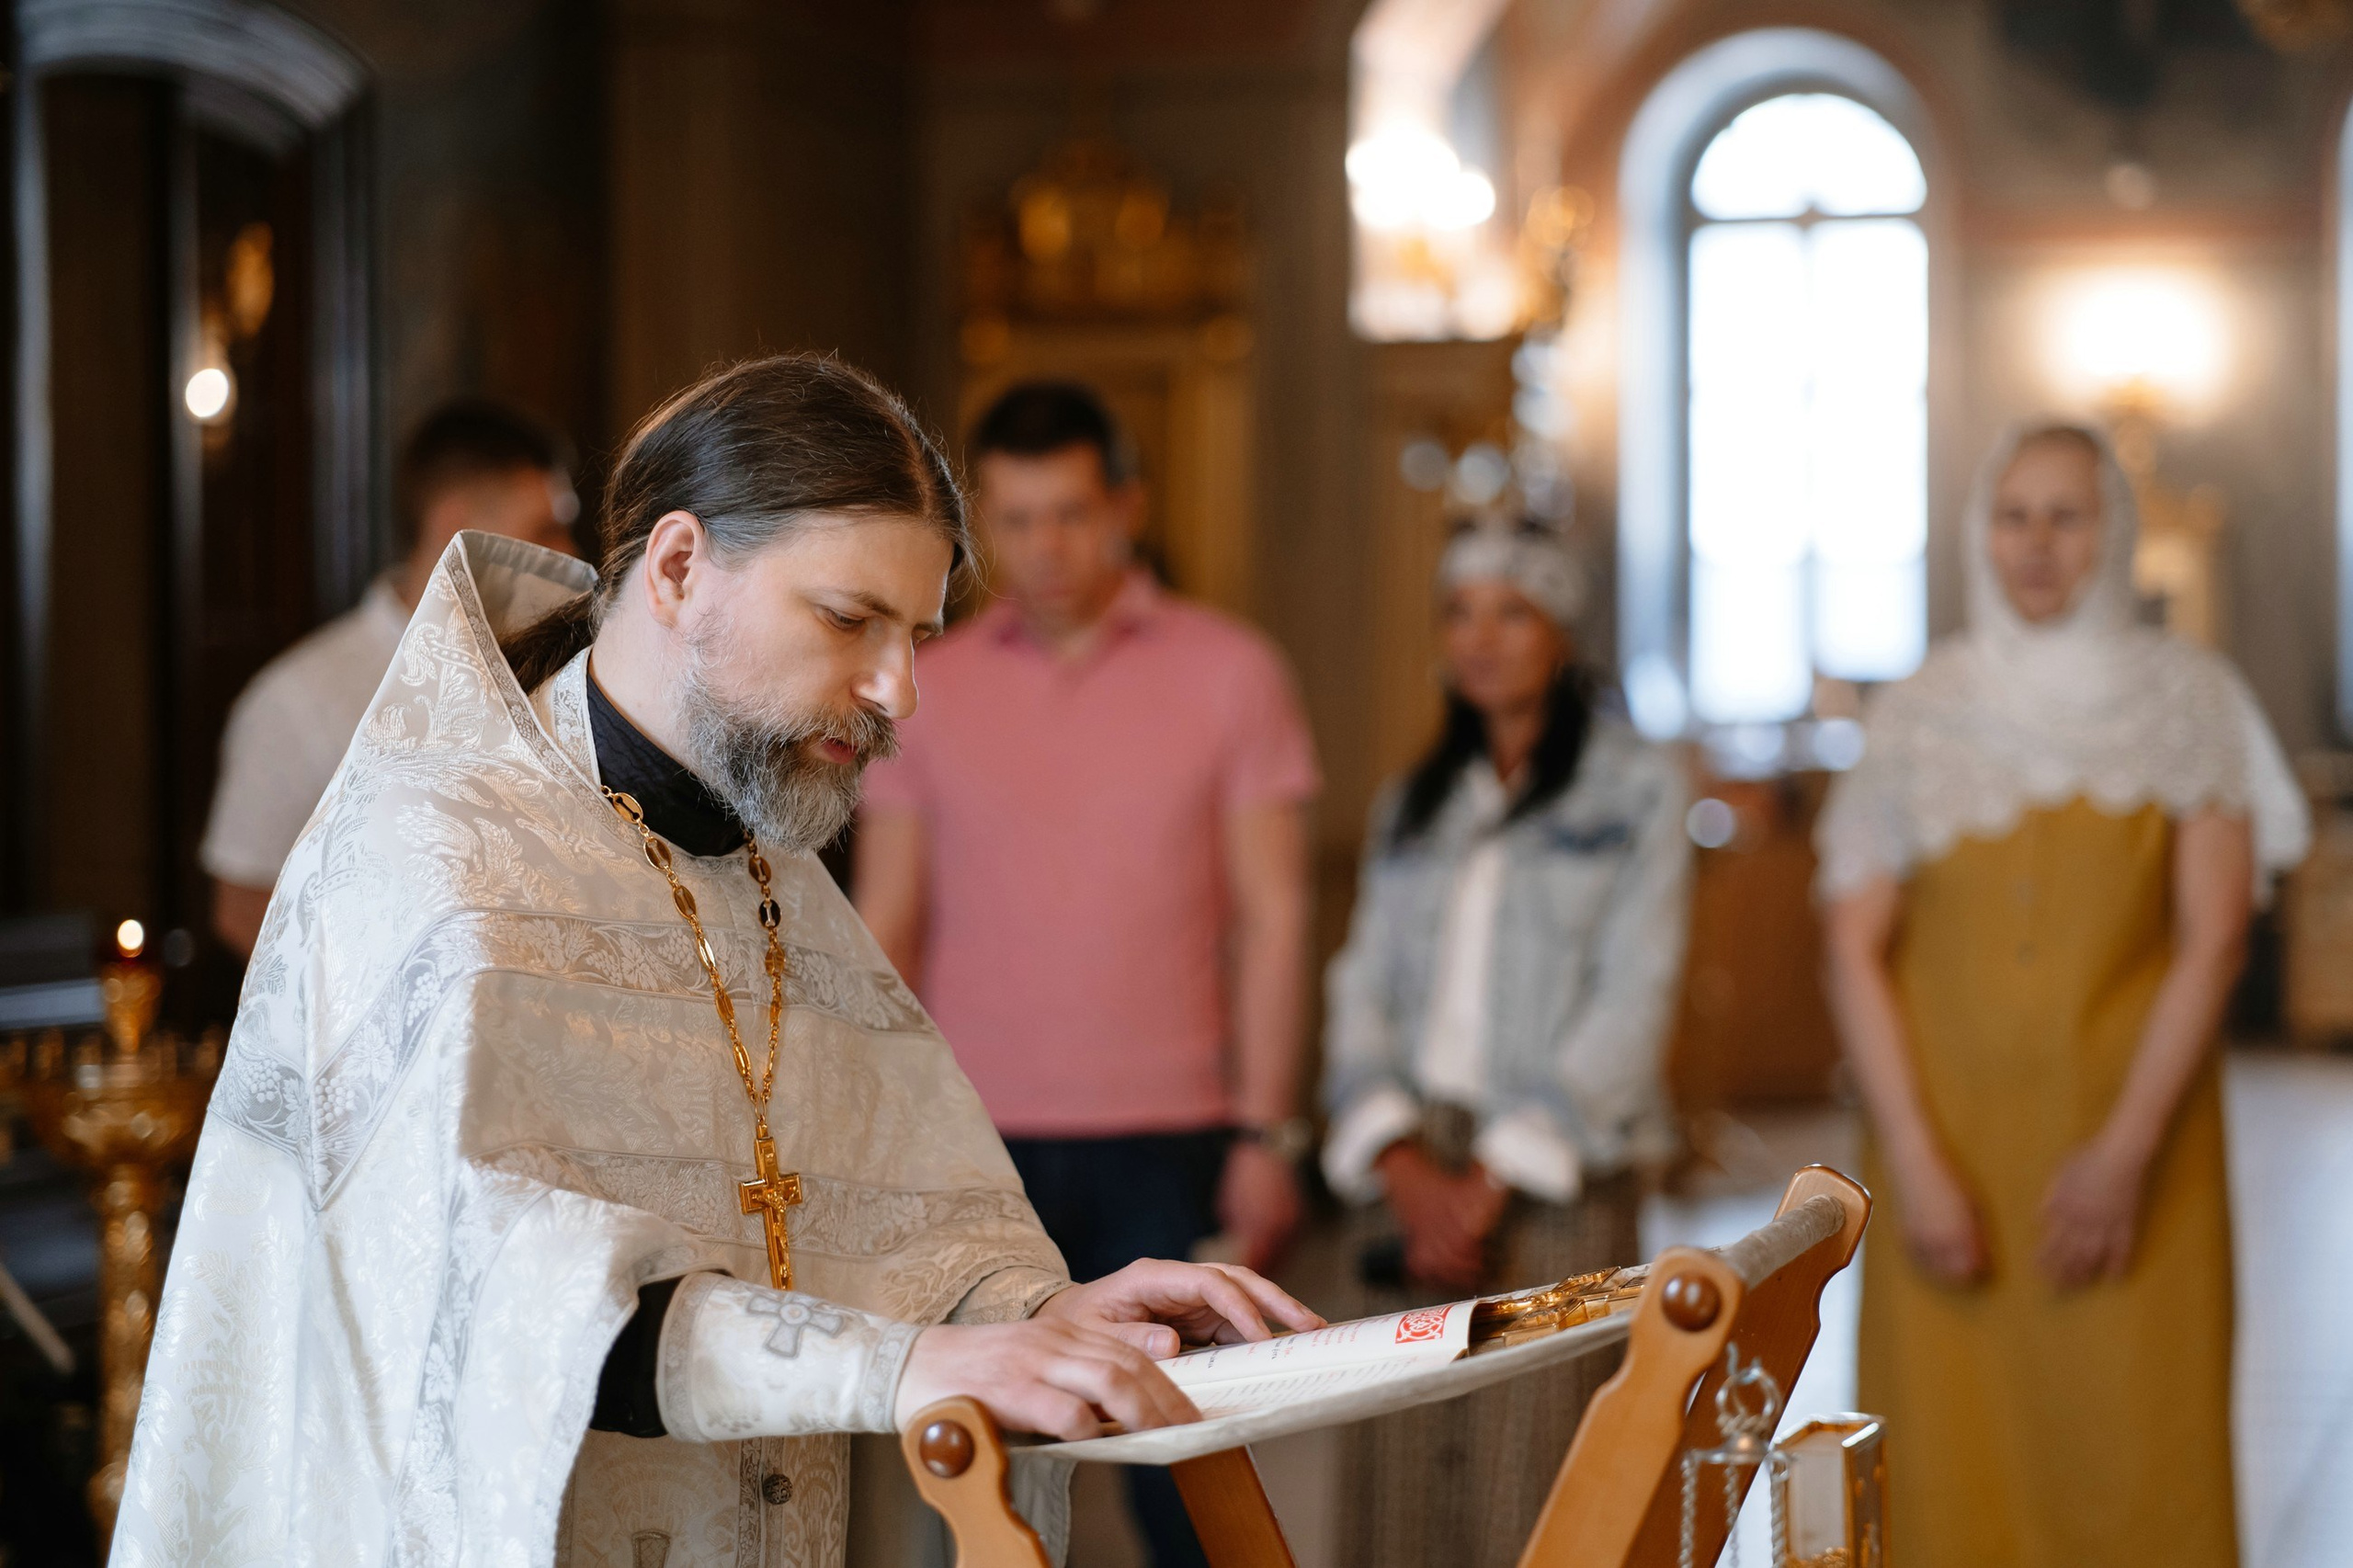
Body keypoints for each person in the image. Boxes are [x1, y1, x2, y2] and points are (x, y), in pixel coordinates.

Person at [115, 356, 1320, 1568]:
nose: (899, 690)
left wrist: (1040, 1309)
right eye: (849, 619)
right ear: (681, 566)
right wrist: (901, 1363)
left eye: (916, 635)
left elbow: (899, 1207)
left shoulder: (768, 863)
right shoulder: (434, 859)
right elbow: (489, 1301)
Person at [1817, 422, 2310, 1568]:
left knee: (2134, 1448)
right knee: (1946, 1463)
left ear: (2114, 532)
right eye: (2012, 515)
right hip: (1946, 1155)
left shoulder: (2189, 697)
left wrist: (2122, 1155)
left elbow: (2214, 936)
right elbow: (1851, 945)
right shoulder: (1921, 709)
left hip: (2136, 1151)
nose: (2035, 543)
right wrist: (1915, 1164)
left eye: (2065, 515)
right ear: (1977, 532)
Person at [854, 381, 1319, 1568]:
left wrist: (1269, 1132)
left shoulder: (1231, 670)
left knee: (1190, 1468)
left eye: (1070, 513)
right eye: (1013, 520)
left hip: (1171, 1131)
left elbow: (1274, 916)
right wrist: (868, 1119)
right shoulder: (926, 682)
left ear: (1127, 507)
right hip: (971, 1139)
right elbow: (888, 917)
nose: (1044, 548)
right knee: (976, 1473)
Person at [1317, 516, 1690, 1568]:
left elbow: (1634, 993)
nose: (1480, 637)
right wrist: (1400, 1161)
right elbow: (1360, 982)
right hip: (1411, 1167)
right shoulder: (1413, 801)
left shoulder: (1636, 789)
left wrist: (1487, 1181)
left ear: (1561, 630)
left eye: (1512, 611)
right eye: (1459, 611)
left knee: (1538, 1486)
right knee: (1398, 1483)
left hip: (1554, 1169)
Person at [201, 397, 582, 957]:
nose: (569, 557)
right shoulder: (300, 698)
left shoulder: (561, 674)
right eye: (546, 531)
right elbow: (243, 906)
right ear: (456, 525)